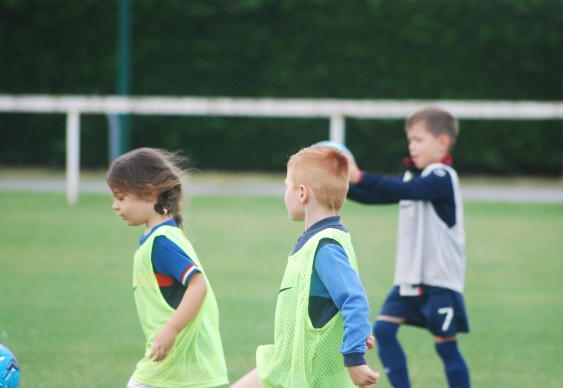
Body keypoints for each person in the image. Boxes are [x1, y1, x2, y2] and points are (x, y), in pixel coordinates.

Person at [232, 146, 379, 388]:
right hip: (286, 365)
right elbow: (330, 304)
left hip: (311, 375)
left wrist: (354, 358)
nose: (285, 192)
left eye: (286, 185)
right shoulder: (316, 241)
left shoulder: (326, 247)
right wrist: (359, 331)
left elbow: (353, 298)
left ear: (301, 193)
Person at [347, 107, 470, 388]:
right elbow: (376, 196)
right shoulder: (412, 179)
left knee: (446, 347)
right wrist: (338, 183)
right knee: (384, 333)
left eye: (418, 139)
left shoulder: (441, 177)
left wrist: (361, 176)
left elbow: (405, 190)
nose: (411, 146)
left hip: (439, 281)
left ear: (442, 142)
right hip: (409, 280)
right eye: (410, 140)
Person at [107, 147, 228, 388]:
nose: (115, 206)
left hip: (174, 364)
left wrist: (170, 330)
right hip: (175, 364)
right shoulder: (157, 237)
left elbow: (198, 284)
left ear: (150, 194)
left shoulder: (162, 242)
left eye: (121, 198)